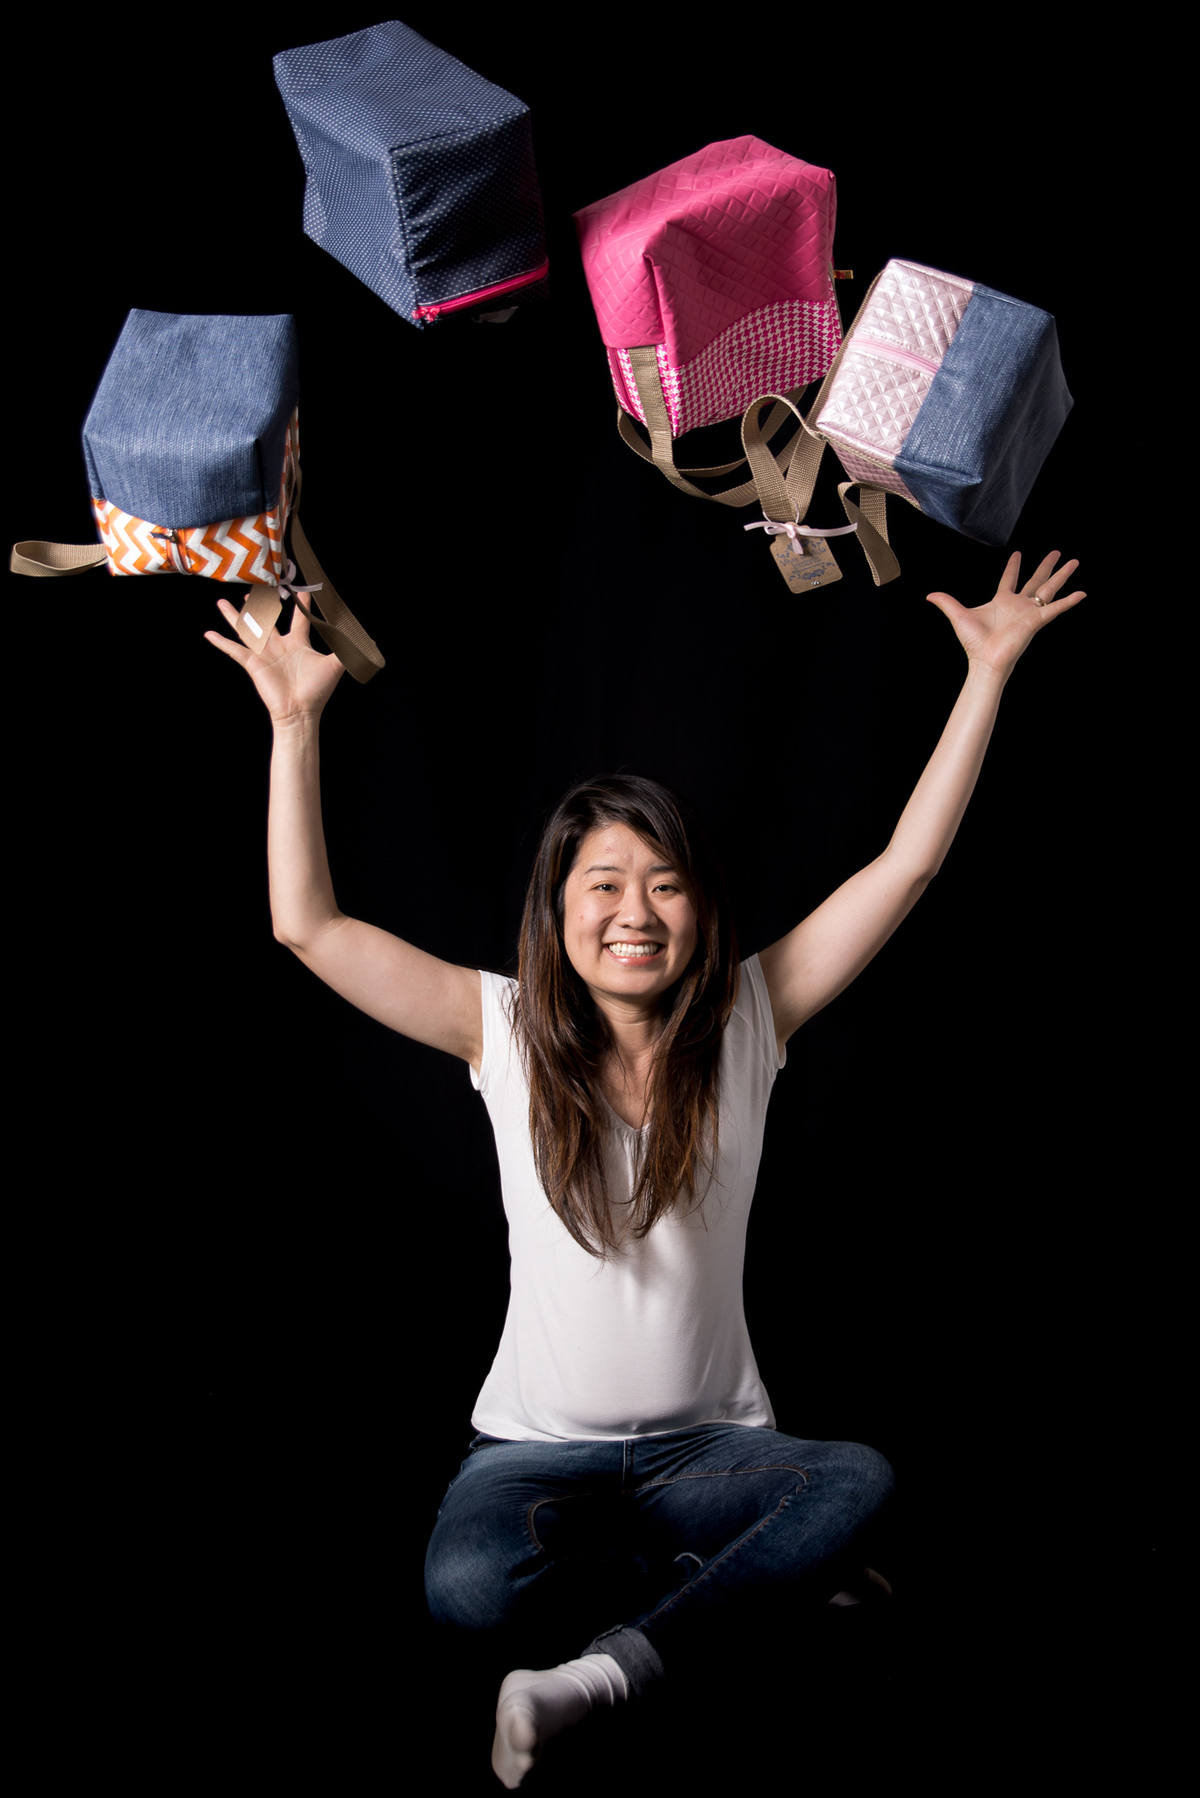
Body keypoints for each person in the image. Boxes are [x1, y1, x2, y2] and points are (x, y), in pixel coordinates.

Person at [205, 548, 1084, 1788]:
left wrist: (986, 676)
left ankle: (602, 1674)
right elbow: (308, 924)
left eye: (666, 884)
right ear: (559, 908)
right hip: (530, 1459)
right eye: (606, 883)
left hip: (711, 1455)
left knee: (860, 1480)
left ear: (700, 909)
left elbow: (905, 866)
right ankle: (755, 1583)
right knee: (467, 1588)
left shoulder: (751, 1016)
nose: (637, 910)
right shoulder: (501, 1026)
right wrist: (295, 725)